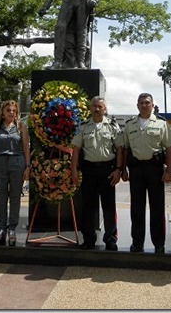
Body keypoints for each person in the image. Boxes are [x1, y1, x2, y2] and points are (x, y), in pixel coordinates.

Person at [121, 93, 171, 253]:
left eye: (147, 103)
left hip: (155, 169)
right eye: (141, 103)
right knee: (136, 208)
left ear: (152, 105)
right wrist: (123, 169)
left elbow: (169, 147)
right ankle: (137, 242)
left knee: (157, 207)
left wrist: (169, 170)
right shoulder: (130, 125)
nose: (144, 105)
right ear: (137, 105)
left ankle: (159, 243)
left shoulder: (161, 124)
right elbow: (125, 148)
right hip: (136, 169)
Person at [71, 96, 124, 251]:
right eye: (94, 106)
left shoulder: (112, 126)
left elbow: (120, 148)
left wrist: (119, 169)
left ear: (105, 109)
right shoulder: (83, 126)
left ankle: (111, 239)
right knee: (88, 206)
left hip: (108, 170)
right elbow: (76, 149)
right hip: (89, 171)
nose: (97, 109)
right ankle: (88, 239)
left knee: (109, 206)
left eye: (100, 106)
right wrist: (74, 169)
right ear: (90, 108)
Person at [0, 100, 31, 246]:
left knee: (15, 197)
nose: (11, 113)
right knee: (1, 197)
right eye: (8, 110)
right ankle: (1, 228)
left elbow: (25, 148)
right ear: (3, 113)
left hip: (17, 163)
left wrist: (27, 167)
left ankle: (12, 228)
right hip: (0, 163)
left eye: (14, 110)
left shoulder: (21, 127)